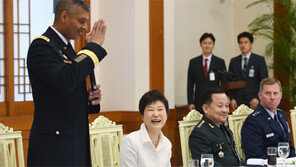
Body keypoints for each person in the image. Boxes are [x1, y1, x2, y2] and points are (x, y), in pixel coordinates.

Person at [27, 0, 107, 166]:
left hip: (74, 141)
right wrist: (93, 47)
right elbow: (66, 79)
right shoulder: (42, 46)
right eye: (81, 21)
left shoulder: (67, 48)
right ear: (64, 16)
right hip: (53, 147)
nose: (85, 27)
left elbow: (69, 86)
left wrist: (88, 98)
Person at [241, 78, 295, 159]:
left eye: (275, 93)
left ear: (281, 95)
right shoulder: (253, 121)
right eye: (268, 93)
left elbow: (289, 147)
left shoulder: (282, 115)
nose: (272, 97)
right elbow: (254, 156)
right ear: (260, 95)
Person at [189, 88, 243, 166]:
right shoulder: (199, 134)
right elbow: (207, 165)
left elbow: (237, 160)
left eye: (227, 106)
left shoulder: (224, 128)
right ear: (206, 108)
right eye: (220, 106)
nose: (225, 110)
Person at [119, 90, 172, 167]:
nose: (156, 114)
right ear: (142, 116)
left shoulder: (167, 143)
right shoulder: (131, 142)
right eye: (150, 110)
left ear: (166, 115)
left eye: (160, 109)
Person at [187, 33, 227, 114]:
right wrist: (190, 102)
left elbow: (224, 84)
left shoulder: (220, 62)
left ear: (213, 45)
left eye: (210, 43)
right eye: (205, 43)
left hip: (215, 102)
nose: (207, 46)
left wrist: (223, 102)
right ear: (201, 45)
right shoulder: (193, 62)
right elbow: (190, 84)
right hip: (199, 102)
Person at [228, 31, 268, 110]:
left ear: (251, 44)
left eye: (246, 42)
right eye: (241, 43)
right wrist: (232, 98)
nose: (243, 45)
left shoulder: (259, 60)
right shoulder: (233, 61)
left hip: (254, 101)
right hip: (238, 102)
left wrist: (258, 98)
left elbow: (264, 82)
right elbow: (230, 82)